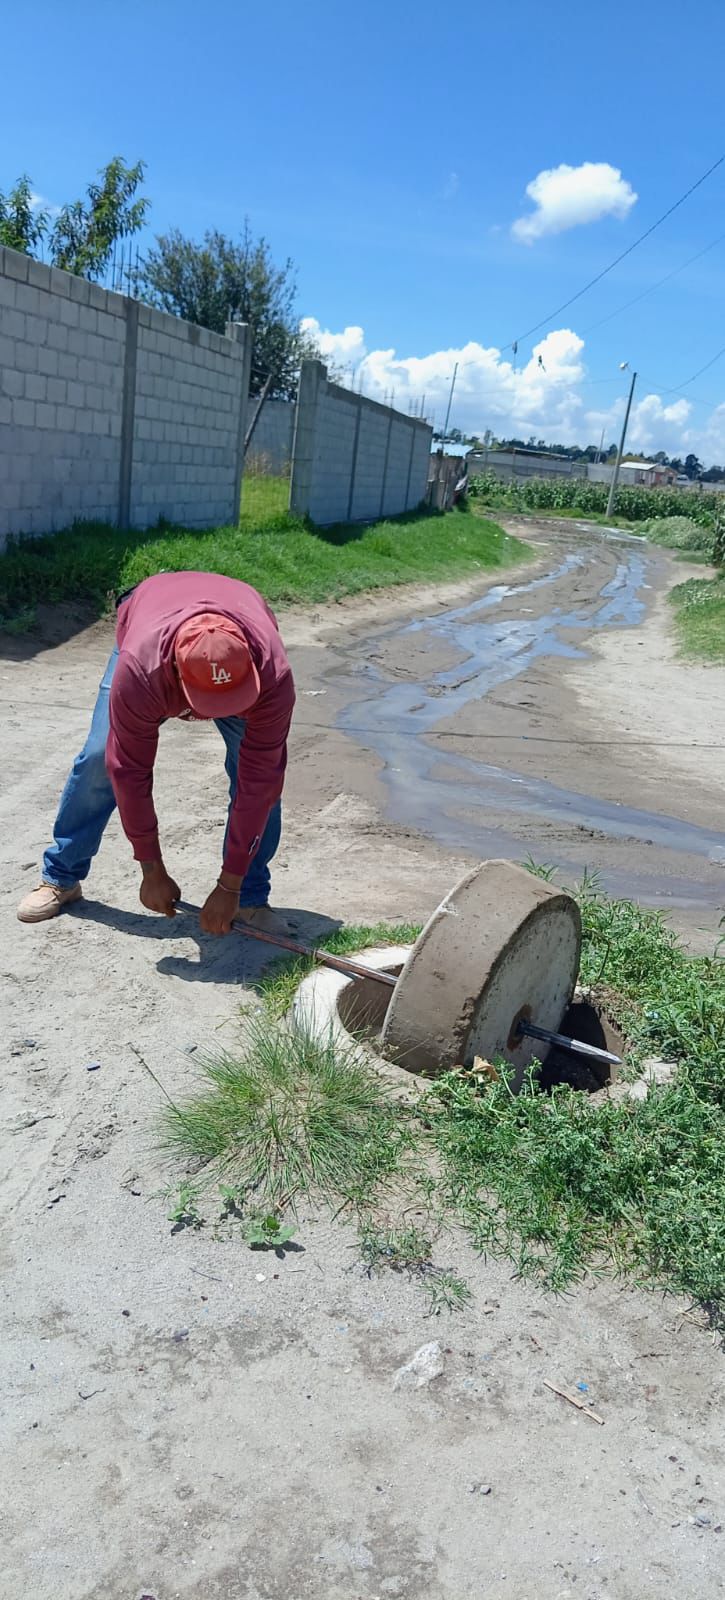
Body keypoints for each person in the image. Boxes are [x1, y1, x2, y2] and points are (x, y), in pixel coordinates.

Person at [17, 571, 295, 938]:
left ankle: (250, 897)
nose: (214, 712)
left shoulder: (271, 676)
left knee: (261, 777)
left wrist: (230, 884)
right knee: (101, 756)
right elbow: (129, 770)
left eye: (226, 702)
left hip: (240, 629)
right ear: (176, 673)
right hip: (150, 621)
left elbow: (260, 784)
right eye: (208, 704)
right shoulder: (141, 669)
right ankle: (61, 877)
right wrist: (152, 869)